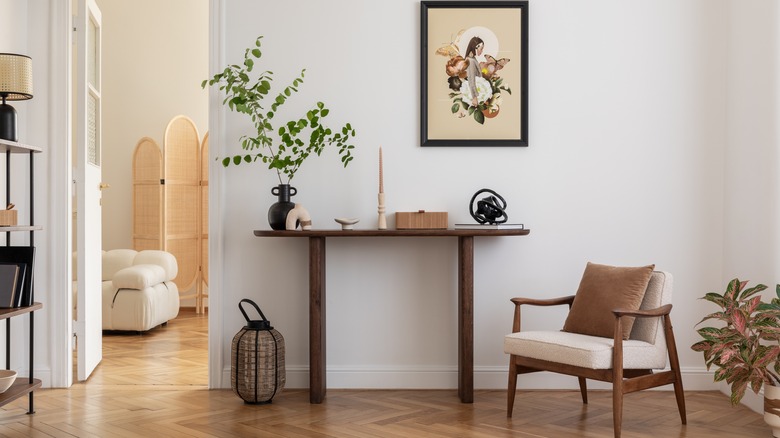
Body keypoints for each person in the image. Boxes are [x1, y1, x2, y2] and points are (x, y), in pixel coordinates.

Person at [463, 36, 485, 107]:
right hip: (475, 95)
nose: (482, 51)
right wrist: (474, 97)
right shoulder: (471, 61)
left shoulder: (472, 58)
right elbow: (471, 80)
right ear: (476, 47)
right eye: (481, 49)